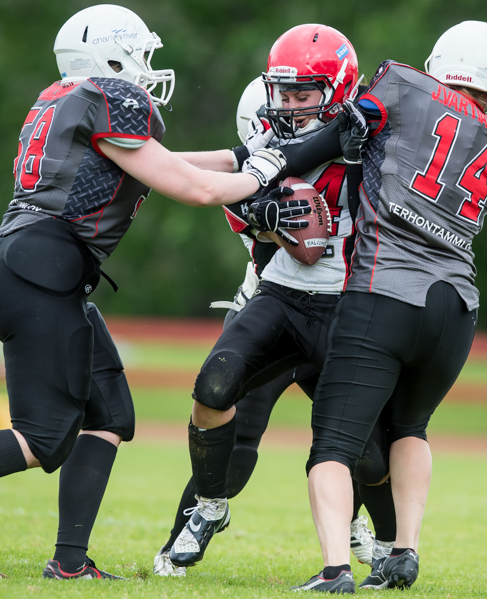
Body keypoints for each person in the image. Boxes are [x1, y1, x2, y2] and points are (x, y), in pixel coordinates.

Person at [0, 4, 287, 580]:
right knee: (43, 438)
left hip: (33, 265)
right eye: (140, 53)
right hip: (40, 271)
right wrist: (265, 171)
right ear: (110, 55)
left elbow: (161, 166)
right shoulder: (110, 97)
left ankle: (69, 562)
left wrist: (248, 158)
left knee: (110, 415)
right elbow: (192, 188)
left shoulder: (69, 98)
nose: (147, 68)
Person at [264, 21, 487, 592]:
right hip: (456, 309)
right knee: (412, 426)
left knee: (333, 443)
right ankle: (404, 554)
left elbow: (320, 151)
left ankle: (338, 567)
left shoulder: (402, 88)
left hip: (385, 294)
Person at [155, 25, 396, 585]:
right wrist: (263, 211)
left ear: (337, 88)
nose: (287, 107)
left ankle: (382, 540)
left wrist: (360, 167)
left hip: (348, 307)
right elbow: (237, 181)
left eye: (301, 95)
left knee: (366, 450)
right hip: (280, 299)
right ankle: (207, 509)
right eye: (281, 94)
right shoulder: (266, 140)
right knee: (213, 387)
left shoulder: (371, 135)